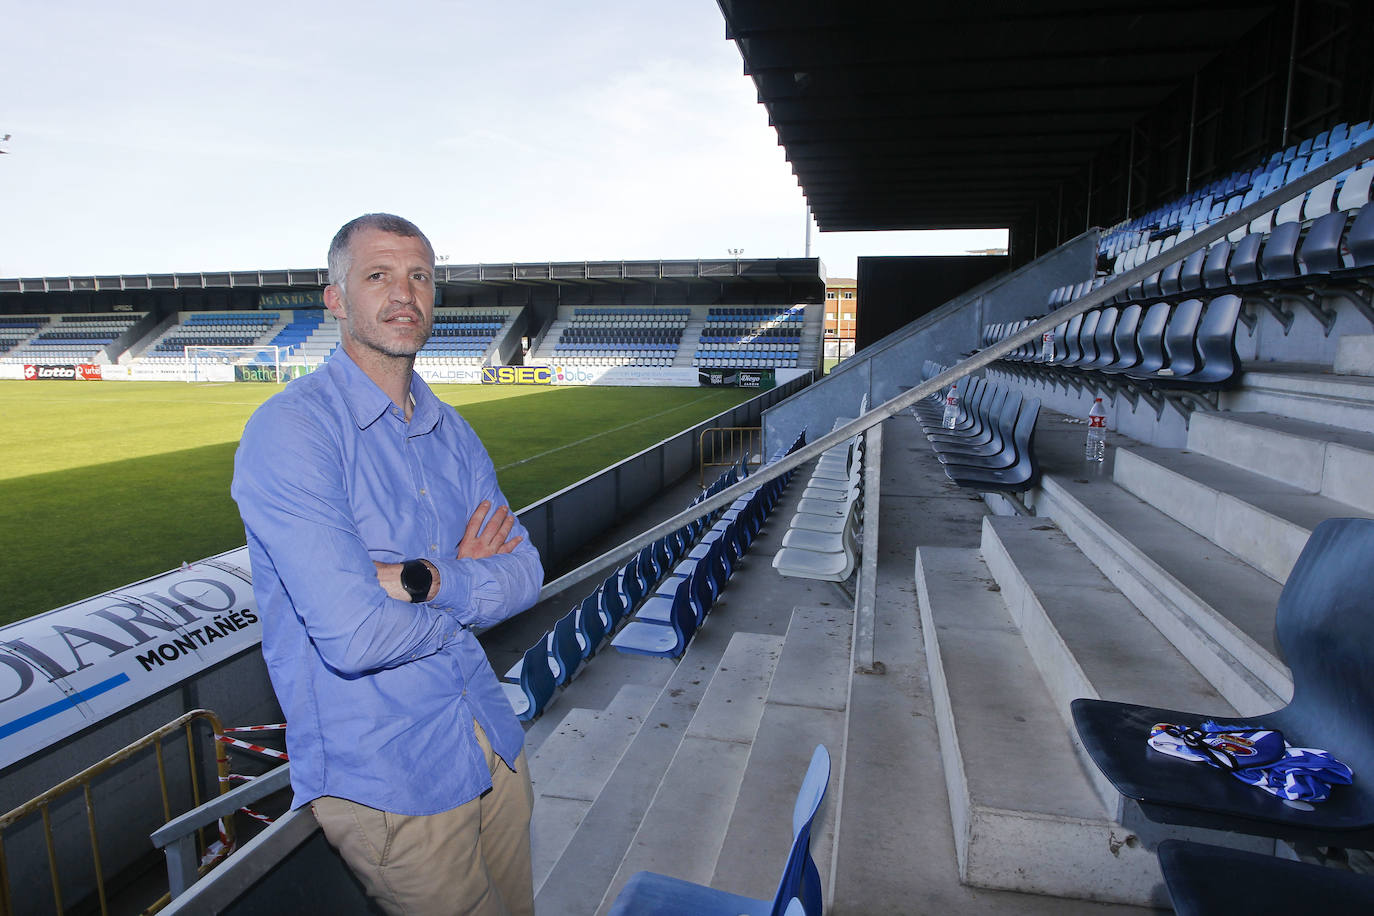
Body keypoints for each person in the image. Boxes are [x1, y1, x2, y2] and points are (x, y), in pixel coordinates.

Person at [232, 213, 543, 916]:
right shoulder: (292, 431)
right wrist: (467, 589)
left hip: (491, 741)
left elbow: (527, 572)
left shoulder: (451, 431)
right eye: (379, 276)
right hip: (391, 781)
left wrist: (419, 580)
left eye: (420, 276)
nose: (405, 293)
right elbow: (355, 637)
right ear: (336, 298)